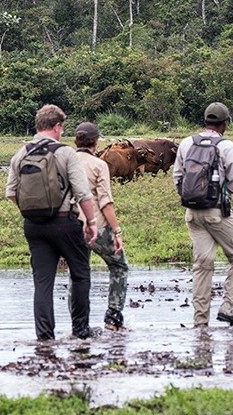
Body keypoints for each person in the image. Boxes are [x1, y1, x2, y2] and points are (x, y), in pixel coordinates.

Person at [6, 104, 98, 341]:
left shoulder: (20, 153)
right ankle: (80, 331)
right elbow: (83, 193)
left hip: (34, 227)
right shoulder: (67, 153)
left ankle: (45, 337)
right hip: (65, 222)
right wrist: (91, 221)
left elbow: (11, 193)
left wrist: (32, 212)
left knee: (42, 282)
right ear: (57, 126)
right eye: (62, 128)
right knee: (80, 274)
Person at [172, 102, 233, 327]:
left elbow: (177, 177)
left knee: (202, 265)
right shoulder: (227, 146)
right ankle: (227, 307)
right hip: (217, 213)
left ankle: (200, 322)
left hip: (192, 214)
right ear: (224, 123)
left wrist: (193, 197)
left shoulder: (187, 143)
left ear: (205, 120)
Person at [73, 121, 129, 331]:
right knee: (119, 265)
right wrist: (117, 230)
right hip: (97, 225)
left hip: (72, 225)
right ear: (95, 141)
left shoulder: (67, 161)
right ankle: (113, 316)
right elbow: (105, 202)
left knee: (77, 272)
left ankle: (78, 322)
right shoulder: (99, 164)